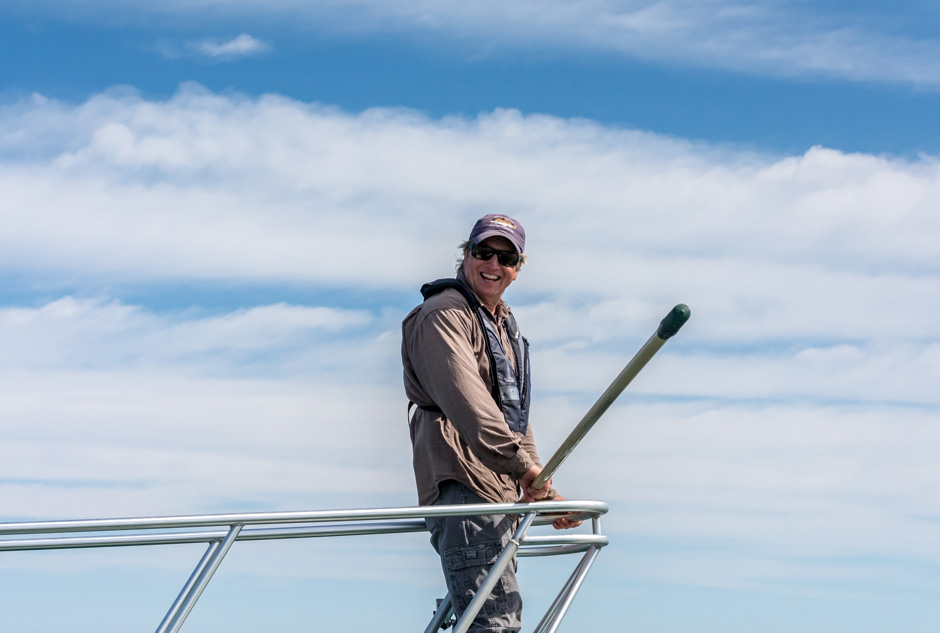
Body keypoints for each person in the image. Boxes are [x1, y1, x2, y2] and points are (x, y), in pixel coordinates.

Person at [401, 214, 580, 632]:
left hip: (496, 495)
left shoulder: (502, 325)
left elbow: (513, 418)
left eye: (507, 257)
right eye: (484, 252)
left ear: (518, 268)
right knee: (494, 624)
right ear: (466, 255)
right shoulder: (444, 315)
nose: (494, 264)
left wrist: (539, 486)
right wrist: (527, 470)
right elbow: (473, 409)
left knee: (495, 619)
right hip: (465, 488)